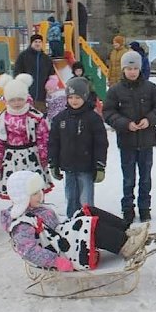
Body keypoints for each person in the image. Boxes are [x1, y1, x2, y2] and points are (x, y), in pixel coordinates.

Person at [0, 171, 150, 271]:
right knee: (86, 225)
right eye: (34, 194)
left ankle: (127, 231)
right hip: (62, 252)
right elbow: (29, 251)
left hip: (63, 238)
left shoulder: (36, 208)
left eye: (40, 191)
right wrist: (55, 262)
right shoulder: (22, 225)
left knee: (88, 211)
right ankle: (125, 245)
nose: (40, 196)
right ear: (21, 197)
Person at [103, 51, 156, 224]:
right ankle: (127, 208)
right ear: (123, 69)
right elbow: (108, 112)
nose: (132, 71)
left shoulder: (150, 88)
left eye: (135, 68)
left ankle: (145, 207)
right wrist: (125, 124)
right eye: (129, 68)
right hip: (127, 142)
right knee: (128, 177)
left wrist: (149, 120)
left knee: (145, 177)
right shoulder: (115, 90)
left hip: (146, 141)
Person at [49, 77, 108, 218]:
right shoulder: (60, 119)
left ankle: (88, 224)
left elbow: (101, 143)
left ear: (85, 97)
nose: (74, 101)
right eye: (70, 97)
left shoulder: (93, 119)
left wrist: (100, 165)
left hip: (86, 168)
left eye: (77, 97)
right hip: (68, 168)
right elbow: (53, 142)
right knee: (71, 198)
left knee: (85, 200)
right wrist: (54, 163)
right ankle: (72, 224)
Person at [0, 74, 52, 200]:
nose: (17, 103)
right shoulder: (3, 117)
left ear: (25, 97)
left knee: (34, 187)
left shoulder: (35, 116)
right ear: (7, 100)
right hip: (11, 157)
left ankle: (37, 211)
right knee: (16, 188)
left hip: (31, 156)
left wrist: (44, 155)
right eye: (12, 100)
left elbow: (43, 137)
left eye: (20, 99)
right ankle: (18, 211)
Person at [13, 34, 55, 113]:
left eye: (40, 42)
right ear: (31, 43)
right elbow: (17, 71)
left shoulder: (46, 58)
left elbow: (51, 73)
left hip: (41, 95)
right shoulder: (23, 56)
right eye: (35, 42)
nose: (38, 44)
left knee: (40, 116)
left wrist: (51, 84)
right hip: (26, 94)